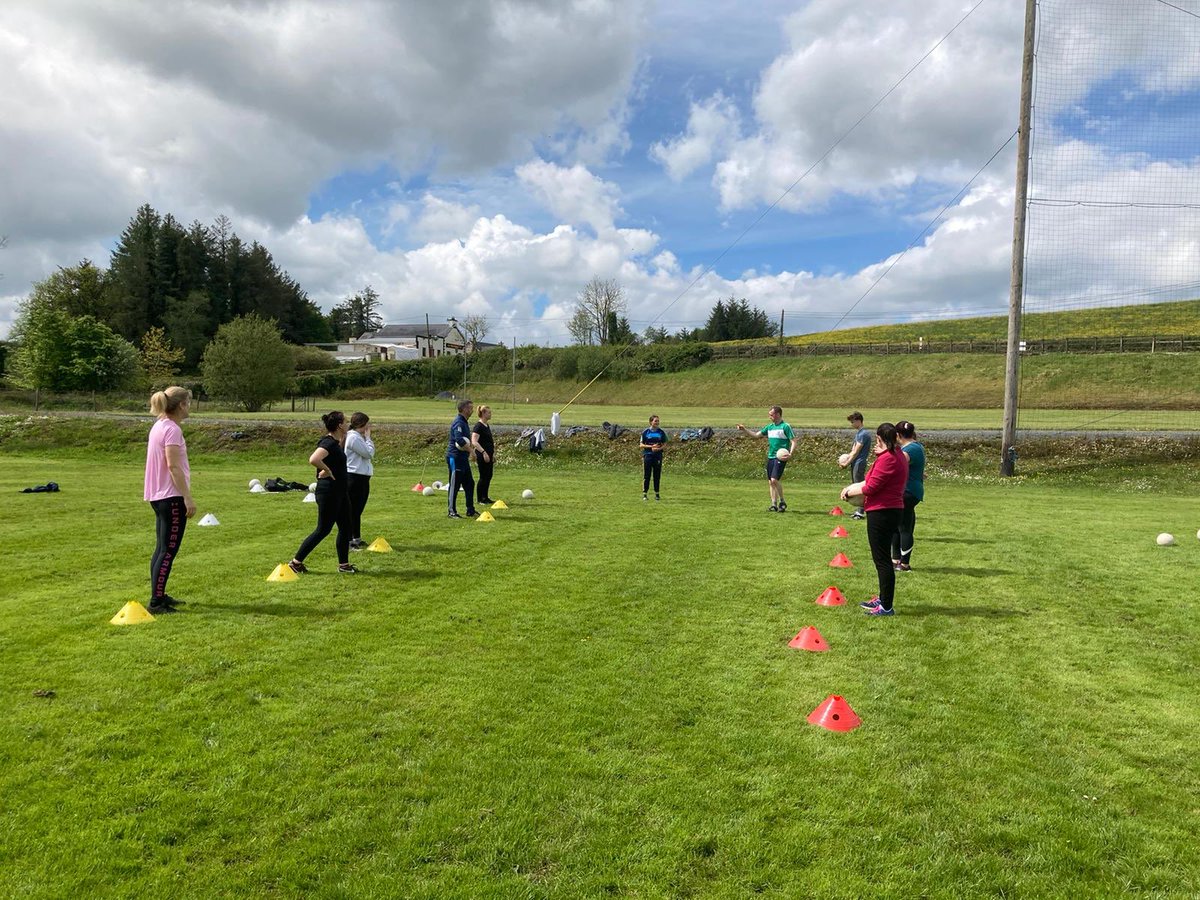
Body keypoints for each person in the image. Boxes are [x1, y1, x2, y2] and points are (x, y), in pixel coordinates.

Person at [842, 423, 909, 617]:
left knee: (882, 560)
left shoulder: (889, 458)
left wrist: (849, 492)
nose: (875, 443)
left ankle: (886, 607)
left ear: (882, 439)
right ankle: (883, 598)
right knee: (883, 559)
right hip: (889, 510)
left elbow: (871, 487)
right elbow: (871, 481)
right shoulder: (896, 455)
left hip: (883, 512)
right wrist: (851, 488)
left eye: (877, 440)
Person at [144, 386, 196, 613]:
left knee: (161, 548)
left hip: (159, 496)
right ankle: (156, 602)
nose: (190, 407)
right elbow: (173, 465)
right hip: (171, 496)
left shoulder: (159, 425)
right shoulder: (172, 429)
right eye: (189, 402)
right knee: (168, 550)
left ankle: (159, 594)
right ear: (182, 405)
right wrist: (187, 497)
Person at [289, 411, 356, 575]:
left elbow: (334, 457)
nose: (348, 424)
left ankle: (344, 565)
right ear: (340, 425)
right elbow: (314, 459)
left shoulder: (335, 442)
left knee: (346, 527)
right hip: (329, 492)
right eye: (346, 421)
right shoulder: (328, 443)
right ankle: (295, 563)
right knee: (323, 529)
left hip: (339, 491)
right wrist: (326, 469)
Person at [737, 405, 797, 512]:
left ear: (778, 414)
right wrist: (744, 430)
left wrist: (790, 453)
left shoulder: (785, 427)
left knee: (774, 479)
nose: (770, 417)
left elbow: (793, 441)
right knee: (770, 482)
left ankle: (782, 501)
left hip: (781, 457)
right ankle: (774, 504)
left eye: (771, 415)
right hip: (771, 457)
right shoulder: (769, 427)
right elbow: (756, 435)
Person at [891, 420, 925, 572]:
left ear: (898, 435)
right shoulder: (917, 447)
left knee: (904, 528)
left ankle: (904, 564)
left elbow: (896, 467)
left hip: (908, 492)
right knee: (898, 526)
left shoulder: (909, 450)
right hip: (912, 491)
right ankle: (896, 559)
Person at [344, 412, 375, 550]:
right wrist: (369, 438)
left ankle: (356, 538)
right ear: (361, 425)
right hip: (354, 477)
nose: (368, 426)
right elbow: (369, 453)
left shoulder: (357, 437)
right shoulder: (353, 438)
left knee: (358, 510)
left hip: (361, 477)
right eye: (367, 423)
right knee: (353, 510)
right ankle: (349, 540)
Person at [447, 399, 477, 519]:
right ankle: (451, 511)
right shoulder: (458, 422)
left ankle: (470, 510)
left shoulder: (465, 422)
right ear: (464, 409)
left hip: (463, 458)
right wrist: (471, 451)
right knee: (454, 485)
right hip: (455, 457)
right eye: (470, 408)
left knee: (469, 483)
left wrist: (469, 452)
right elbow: (459, 440)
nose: (472, 410)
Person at [840, 411, 872, 520]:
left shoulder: (863, 434)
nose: (852, 424)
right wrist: (847, 459)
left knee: (859, 487)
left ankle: (860, 512)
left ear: (859, 421)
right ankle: (860, 510)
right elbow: (853, 450)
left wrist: (846, 463)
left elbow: (856, 451)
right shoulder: (859, 433)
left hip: (859, 462)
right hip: (855, 462)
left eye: (853, 422)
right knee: (856, 485)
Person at [639, 414, 667, 501]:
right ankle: (645, 494)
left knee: (657, 475)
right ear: (651, 422)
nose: (657, 422)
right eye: (655, 421)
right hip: (648, 455)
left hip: (657, 456)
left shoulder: (661, 432)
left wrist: (659, 448)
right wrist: (651, 447)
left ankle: (657, 494)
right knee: (647, 475)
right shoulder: (645, 432)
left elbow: (665, 443)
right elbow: (641, 445)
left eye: (658, 421)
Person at [472, 405, 496, 505]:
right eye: (488, 413)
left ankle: (485, 497)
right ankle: (479, 499)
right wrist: (484, 453)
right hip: (482, 455)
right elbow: (474, 441)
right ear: (483, 414)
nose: (490, 414)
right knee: (483, 476)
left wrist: (492, 454)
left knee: (489, 475)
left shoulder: (487, 425)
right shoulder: (478, 426)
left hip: (489, 454)